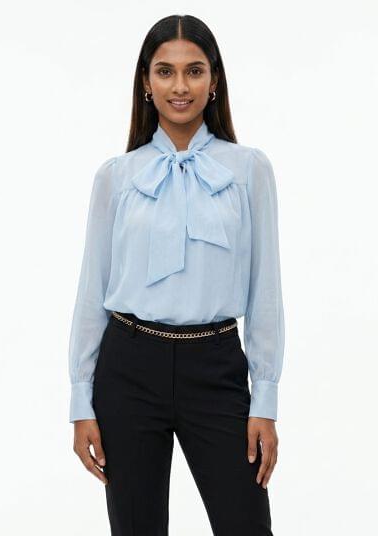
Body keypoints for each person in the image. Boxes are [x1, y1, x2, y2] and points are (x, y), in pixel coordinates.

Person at [68, 13, 285, 536]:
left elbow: (266, 291)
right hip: (127, 367)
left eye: (195, 71)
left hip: (216, 366)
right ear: (146, 82)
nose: (180, 86)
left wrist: (266, 399)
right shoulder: (116, 176)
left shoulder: (248, 169)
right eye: (165, 71)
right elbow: (92, 291)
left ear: (214, 81)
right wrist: (80, 398)